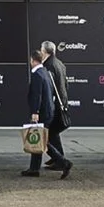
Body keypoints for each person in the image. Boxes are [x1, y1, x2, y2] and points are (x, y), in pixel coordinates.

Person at [22, 49, 71, 178]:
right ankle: (34, 168)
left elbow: (37, 95)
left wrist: (35, 112)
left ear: (32, 60)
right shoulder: (45, 72)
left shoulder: (38, 74)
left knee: (41, 140)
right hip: (49, 111)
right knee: (39, 138)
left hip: (42, 112)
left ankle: (63, 162)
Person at [37, 40, 72, 172]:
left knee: (48, 134)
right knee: (53, 132)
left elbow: (48, 87)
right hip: (62, 103)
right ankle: (58, 158)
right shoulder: (60, 64)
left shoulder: (48, 65)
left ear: (44, 51)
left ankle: (60, 160)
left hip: (53, 105)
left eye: (41, 49)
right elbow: (66, 84)